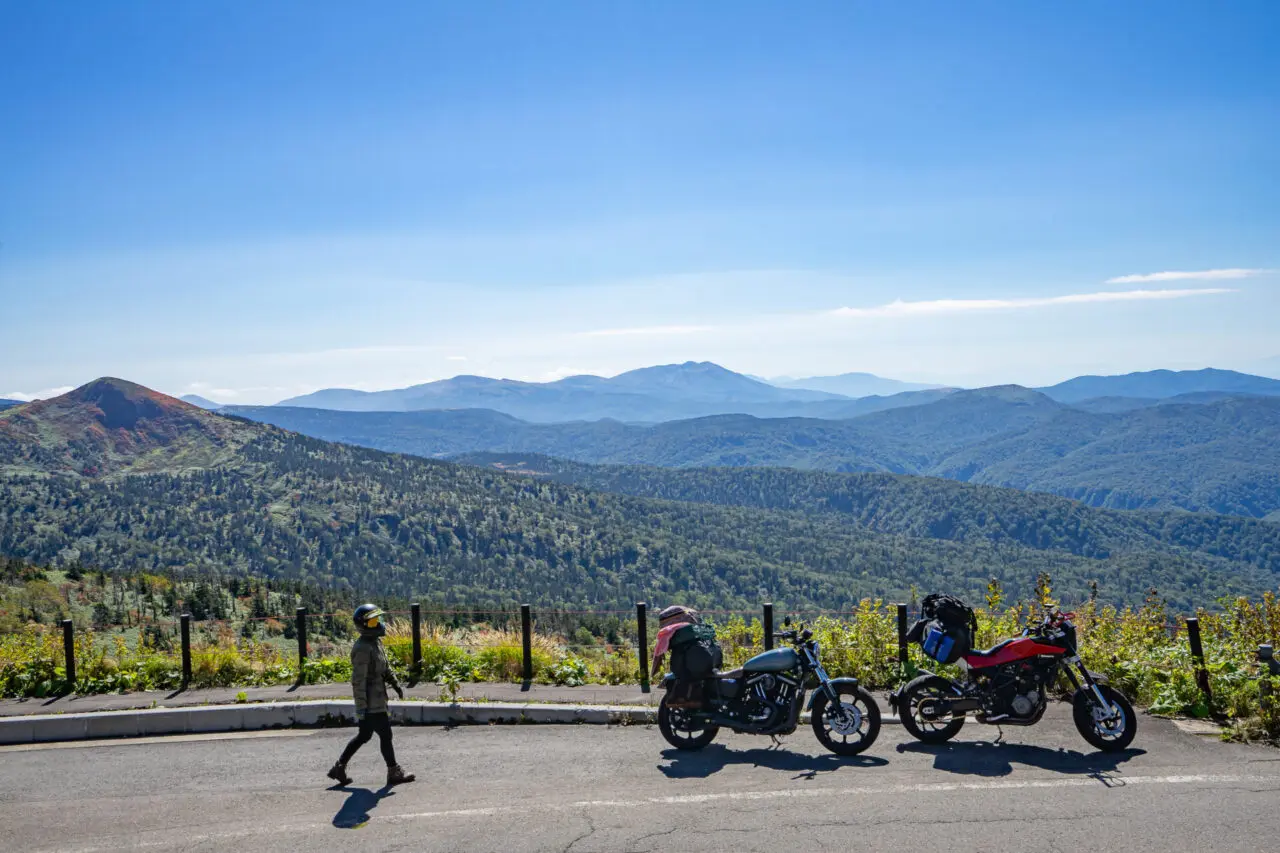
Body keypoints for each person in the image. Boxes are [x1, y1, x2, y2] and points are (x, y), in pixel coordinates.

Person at [327, 604, 415, 787]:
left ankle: (339, 768)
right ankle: (393, 771)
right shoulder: (362, 648)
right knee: (386, 734)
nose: (378, 623)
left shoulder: (375, 642)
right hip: (370, 702)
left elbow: (385, 666)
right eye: (373, 621)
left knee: (364, 735)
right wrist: (361, 707)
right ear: (364, 625)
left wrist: (395, 683)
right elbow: (358, 681)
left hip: (378, 696)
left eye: (378, 620)